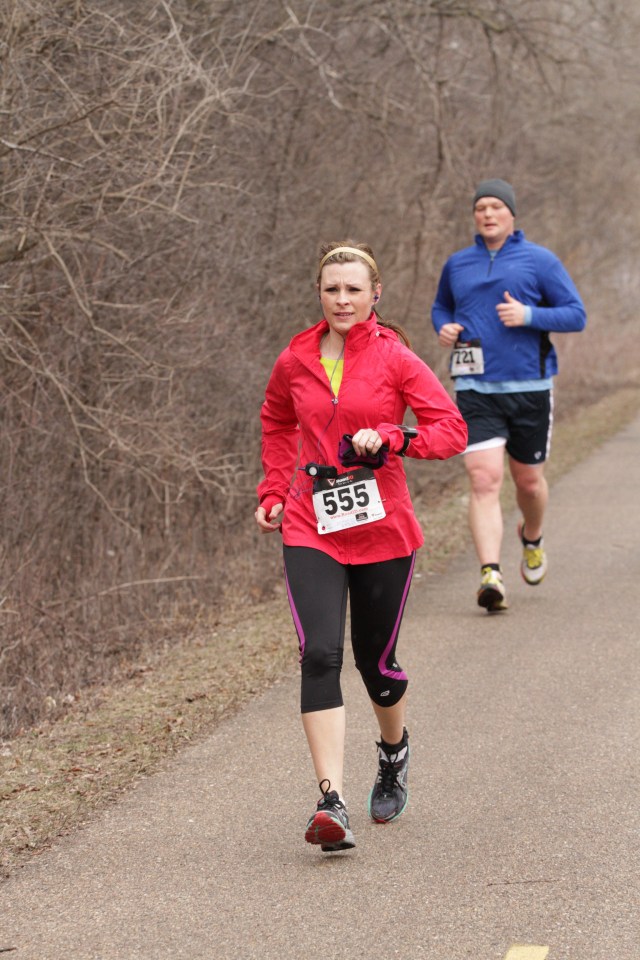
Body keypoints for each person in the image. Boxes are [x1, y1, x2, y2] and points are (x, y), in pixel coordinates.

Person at [255, 241, 467, 852]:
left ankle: (394, 753)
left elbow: (451, 430)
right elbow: (277, 422)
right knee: (319, 654)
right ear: (319, 294)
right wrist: (274, 489)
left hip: (382, 527)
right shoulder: (295, 358)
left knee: (376, 664)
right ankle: (331, 802)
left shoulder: (395, 357)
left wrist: (395, 438)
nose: (342, 300)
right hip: (311, 522)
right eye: (332, 289)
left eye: (353, 289)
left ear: (375, 294)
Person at [431, 178, 586, 613]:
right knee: (483, 479)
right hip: (475, 387)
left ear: (511, 213)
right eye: (481, 207)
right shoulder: (457, 264)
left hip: (529, 388)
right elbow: (441, 306)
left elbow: (576, 315)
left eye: (496, 206)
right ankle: (491, 574)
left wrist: (528, 315)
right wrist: (443, 327)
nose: (488, 213)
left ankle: (531, 537)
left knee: (529, 482)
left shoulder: (540, 261)